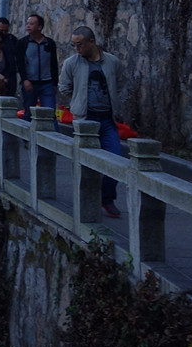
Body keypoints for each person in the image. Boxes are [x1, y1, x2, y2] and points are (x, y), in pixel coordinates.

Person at [58, 25, 124, 218]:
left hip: (107, 119)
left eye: (80, 45)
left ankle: (106, 197)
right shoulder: (72, 63)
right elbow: (64, 87)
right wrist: (77, 101)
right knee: (84, 163)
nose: (76, 49)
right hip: (85, 120)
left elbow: (119, 83)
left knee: (116, 161)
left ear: (91, 42)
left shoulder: (112, 62)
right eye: (74, 45)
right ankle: (85, 200)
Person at [20, 13, 59, 115]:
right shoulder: (23, 43)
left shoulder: (49, 43)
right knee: (28, 113)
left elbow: (54, 63)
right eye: (27, 23)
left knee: (50, 113)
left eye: (32, 24)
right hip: (30, 83)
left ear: (39, 27)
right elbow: (20, 63)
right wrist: (25, 80)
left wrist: (55, 83)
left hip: (47, 83)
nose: (28, 26)